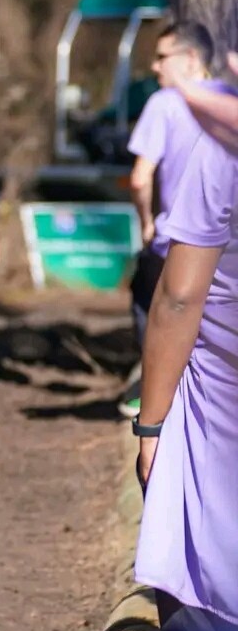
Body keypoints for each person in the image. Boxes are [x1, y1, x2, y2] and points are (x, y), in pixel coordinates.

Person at [133, 96, 238, 631]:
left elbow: (178, 297)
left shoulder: (220, 149)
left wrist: (151, 425)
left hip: (217, 409)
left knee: (201, 588)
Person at [120, 21, 216, 419]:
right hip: (223, 247)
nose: (155, 67)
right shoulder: (229, 100)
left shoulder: (165, 103)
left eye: (163, 57)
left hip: (175, 242)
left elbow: (140, 178)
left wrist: (147, 222)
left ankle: (151, 400)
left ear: (191, 58)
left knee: (152, 307)